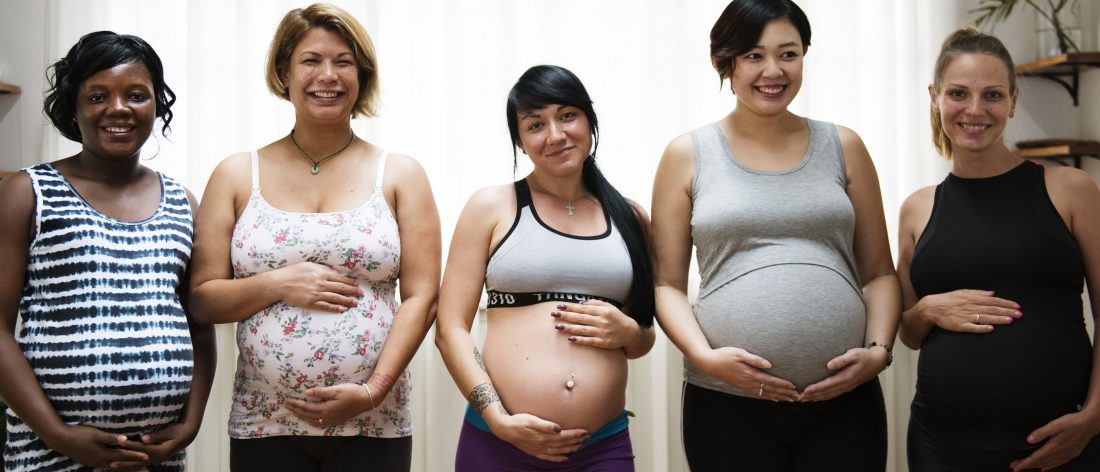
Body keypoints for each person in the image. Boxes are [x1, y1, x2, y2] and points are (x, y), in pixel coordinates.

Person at [650, 0, 901, 469]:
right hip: (727, 404)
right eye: (753, 55)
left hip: (844, 404)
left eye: (788, 54)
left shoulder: (844, 145)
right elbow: (666, 285)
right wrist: (704, 357)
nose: (773, 71)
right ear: (724, 62)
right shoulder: (687, 154)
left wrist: (879, 352)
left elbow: (879, 273)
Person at [188, 4, 440, 471]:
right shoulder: (237, 174)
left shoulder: (401, 173)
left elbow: (423, 297)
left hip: (374, 422)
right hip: (266, 422)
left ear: (361, 75)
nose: (328, 75)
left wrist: (372, 391)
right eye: (311, 60)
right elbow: (202, 300)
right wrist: (280, 284)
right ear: (284, 71)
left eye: (343, 62)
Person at [0, 31, 216, 471]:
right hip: (49, 455)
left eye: (136, 95)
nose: (118, 108)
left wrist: (190, 423)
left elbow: (199, 327)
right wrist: (58, 435)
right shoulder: (28, 193)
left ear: (157, 104)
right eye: (98, 95)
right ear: (73, 107)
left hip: (156, 456)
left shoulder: (182, 202)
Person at [898, 28, 1100, 472]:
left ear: (1012, 99)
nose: (975, 110)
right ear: (935, 97)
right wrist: (929, 309)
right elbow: (908, 332)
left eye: (991, 94)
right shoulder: (917, 208)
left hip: (1062, 441)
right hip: (942, 446)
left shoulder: (1071, 189)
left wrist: (1094, 416)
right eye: (958, 93)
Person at [435, 64, 655, 471]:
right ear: (519, 140)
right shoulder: (491, 207)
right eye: (535, 124)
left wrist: (629, 332)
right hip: (499, 443)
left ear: (590, 120)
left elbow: (643, 339)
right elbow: (450, 330)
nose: (555, 135)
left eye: (567, 116)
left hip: (601, 447)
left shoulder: (631, 218)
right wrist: (496, 417)